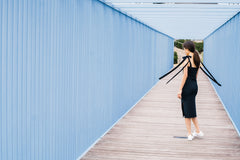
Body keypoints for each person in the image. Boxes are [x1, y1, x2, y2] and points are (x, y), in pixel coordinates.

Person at [177, 41, 204, 141]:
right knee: (191, 110)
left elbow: (185, 76)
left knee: (187, 112)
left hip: (187, 87)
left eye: (184, 48)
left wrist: (180, 89)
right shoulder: (197, 59)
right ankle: (197, 131)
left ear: (187, 49)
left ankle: (189, 134)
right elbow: (196, 75)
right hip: (194, 86)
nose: (184, 50)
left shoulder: (187, 60)